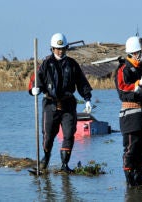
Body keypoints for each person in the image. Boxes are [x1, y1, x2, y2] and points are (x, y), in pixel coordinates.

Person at [29, 33, 93, 173]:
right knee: (48, 135)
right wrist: (34, 88)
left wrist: (87, 98)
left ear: (66, 48)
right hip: (50, 104)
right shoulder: (45, 64)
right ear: (52, 49)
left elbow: (82, 83)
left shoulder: (72, 64)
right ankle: (45, 159)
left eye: (63, 48)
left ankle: (65, 165)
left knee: (69, 134)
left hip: (68, 104)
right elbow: (36, 80)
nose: (60, 51)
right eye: (57, 48)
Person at [115, 36, 142, 187]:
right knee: (131, 148)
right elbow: (122, 91)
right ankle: (130, 181)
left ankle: (139, 179)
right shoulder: (123, 69)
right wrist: (139, 83)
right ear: (134, 53)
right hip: (131, 116)